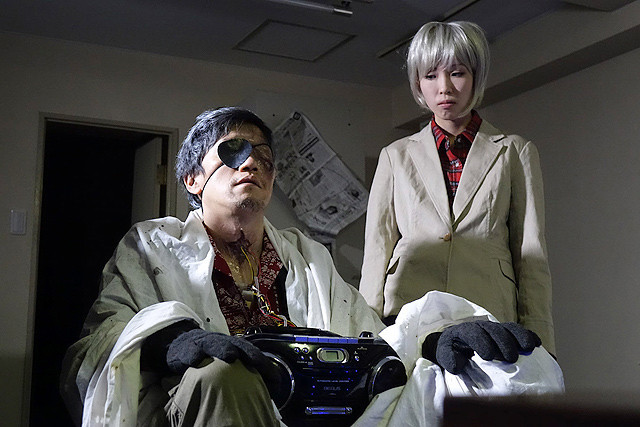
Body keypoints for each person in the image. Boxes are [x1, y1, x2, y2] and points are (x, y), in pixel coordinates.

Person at [60, 107, 561, 427]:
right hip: (207, 404)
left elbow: (369, 341)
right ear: (193, 177)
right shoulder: (151, 246)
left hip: (314, 407)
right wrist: (166, 342)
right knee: (223, 377)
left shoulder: (306, 256)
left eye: (263, 157)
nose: (251, 163)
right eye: (233, 151)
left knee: (489, 373)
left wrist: (434, 339)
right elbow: (92, 349)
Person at [359, 21, 555, 354]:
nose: (444, 88)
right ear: (417, 82)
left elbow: (530, 253)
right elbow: (378, 249)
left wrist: (541, 342)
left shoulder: (514, 151)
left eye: (457, 73)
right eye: (430, 75)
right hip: (409, 311)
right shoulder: (395, 155)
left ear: (477, 76)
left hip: (488, 311)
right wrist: (365, 334)